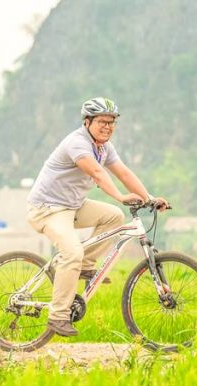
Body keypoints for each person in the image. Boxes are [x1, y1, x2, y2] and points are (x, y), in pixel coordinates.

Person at [25, 97, 169, 338]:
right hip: (47, 208)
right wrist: (121, 196)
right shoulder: (77, 143)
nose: (108, 127)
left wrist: (149, 197)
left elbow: (123, 172)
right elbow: (96, 172)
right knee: (71, 252)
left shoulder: (104, 147)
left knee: (113, 216)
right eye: (102, 121)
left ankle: (84, 266)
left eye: (112, 122)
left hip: (72, 206)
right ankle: (58, 315)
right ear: (87, 122)